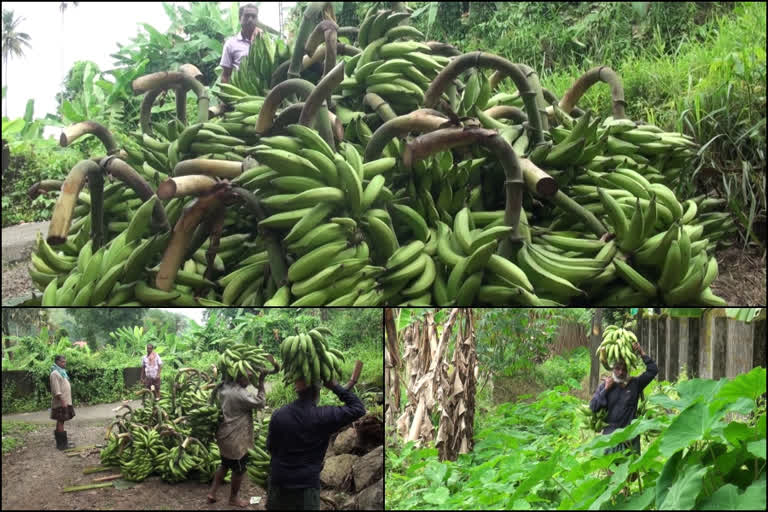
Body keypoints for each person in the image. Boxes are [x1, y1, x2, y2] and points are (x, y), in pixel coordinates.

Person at [265, 378, 366, 510]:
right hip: (306, 486)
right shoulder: (324, 416)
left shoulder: (278, 415)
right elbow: (358, 408)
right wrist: (335, 386)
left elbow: (270, 447)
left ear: (297, 391)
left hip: (279, 482)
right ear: (317, 392)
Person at [207, 356, 273, 508]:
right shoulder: (240, 394)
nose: (250, 380)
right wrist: (261, 383)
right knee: (239, 470)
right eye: (247, 377)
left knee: (224, 465)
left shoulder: (224, 387)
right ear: (238, 376)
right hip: (235, 439)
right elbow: (260, 403)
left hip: (224, 436)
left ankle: (212, 493)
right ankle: (233, 498)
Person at [590, 342, 658, 456]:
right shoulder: (605, 385)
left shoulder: (635, 383)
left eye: (624, 369)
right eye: (617, 368)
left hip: (630, 437)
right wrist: (606, 389)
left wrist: (641, 353)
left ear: (628, 369)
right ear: (612, 368)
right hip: (611, 437)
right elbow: (593, 407)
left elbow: (653, 370)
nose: (621, 372)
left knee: (632, 472)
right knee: (613, 472)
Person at [220, 3, 263, 84]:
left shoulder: (264, 42)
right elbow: (225, 75)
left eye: (253, 16)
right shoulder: (231, 44)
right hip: (239, 91)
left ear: (257, 20)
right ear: (240, 19)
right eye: (247, 16)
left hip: (263, 92)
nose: (250, 19)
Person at [50, 354, 76, 450]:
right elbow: (56, 390)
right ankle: (62, 445)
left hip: (65, 401)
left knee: (61, 421)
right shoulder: (55, 374)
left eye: (65, 361)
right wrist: (63, 401)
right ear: (57, 362)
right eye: (62, 361)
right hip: (61, 402)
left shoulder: (62, 372)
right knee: (61, 421)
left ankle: (62, 443)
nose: (64, 363)